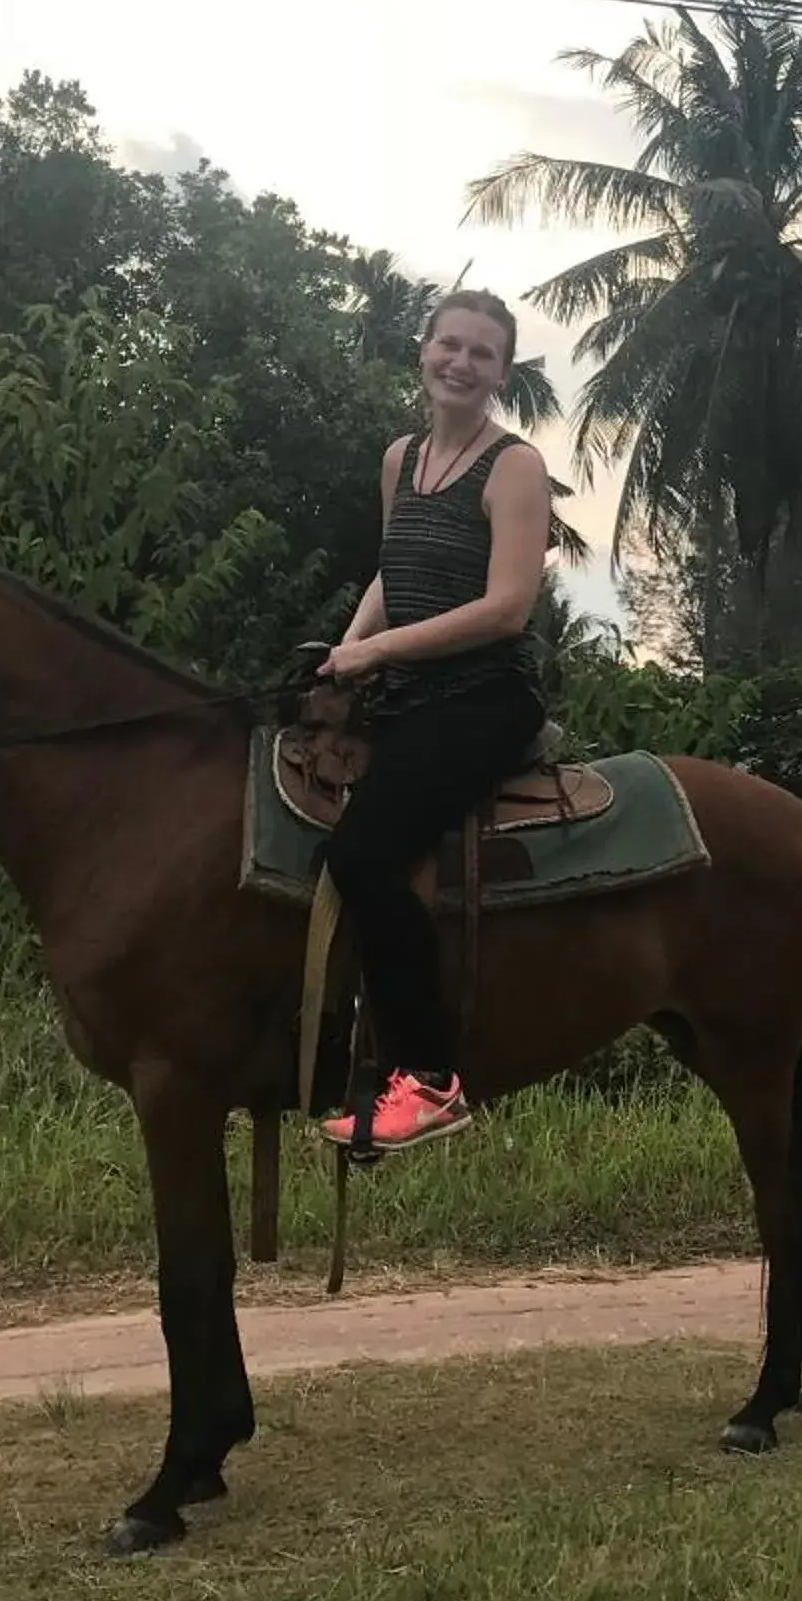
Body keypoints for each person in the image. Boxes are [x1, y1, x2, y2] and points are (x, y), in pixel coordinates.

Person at [319, 287, 554, 1149]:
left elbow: (506, 610)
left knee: (363, 853)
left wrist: (377, 656)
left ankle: (428, 1078)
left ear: (501, 373)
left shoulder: (515, 466)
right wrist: (342, 654)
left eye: (481, 354)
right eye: (448, 345)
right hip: (408, 692)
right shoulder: (401, 457)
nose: (461, 363)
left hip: (485, 697)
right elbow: (393, 572)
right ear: (422, 350)